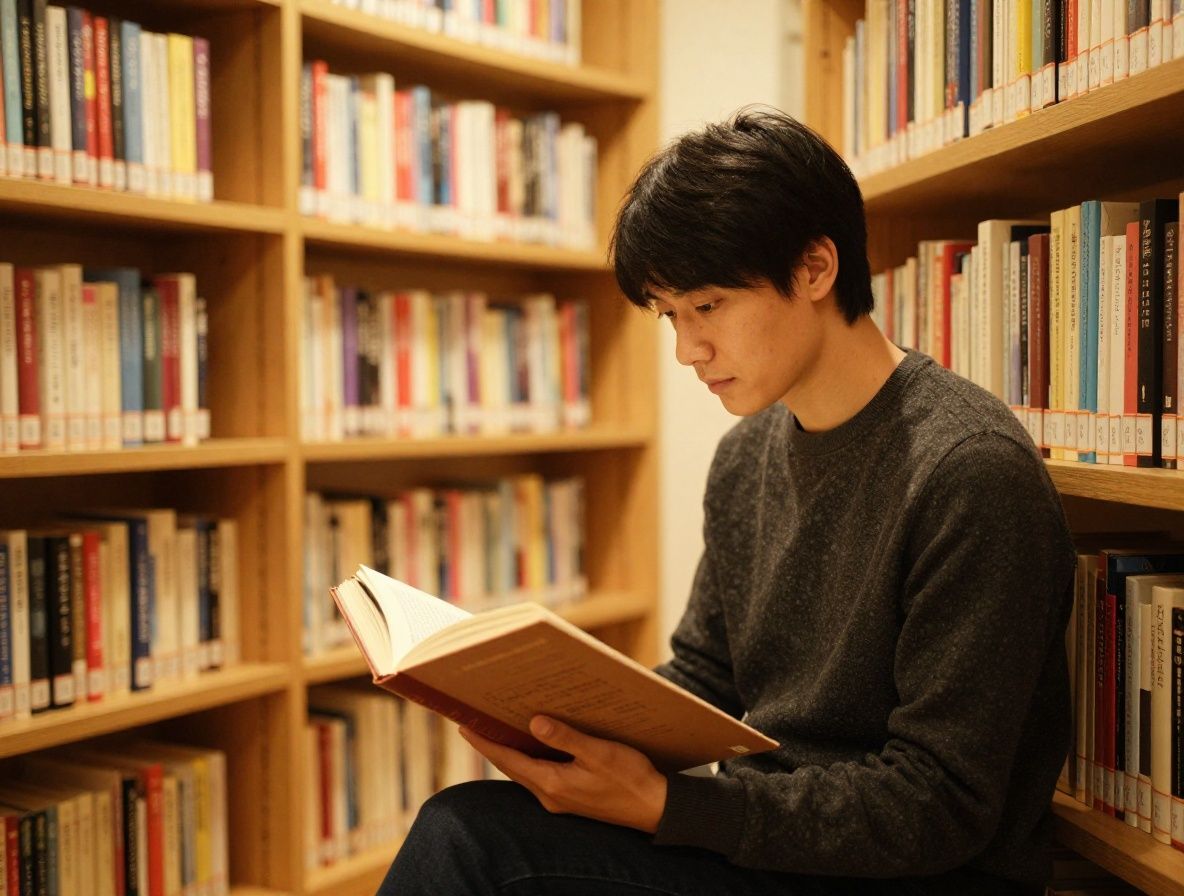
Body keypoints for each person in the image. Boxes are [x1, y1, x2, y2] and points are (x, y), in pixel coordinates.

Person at [376, 108, 1076, 896]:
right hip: (779, 841)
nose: (688, 350)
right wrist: (552, 718)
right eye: (670, 316)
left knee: (474, 845)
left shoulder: (969, 471)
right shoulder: (748, 455)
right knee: (473, 822)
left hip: (914, 873)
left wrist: (668, 804)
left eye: (708, 306)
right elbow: (709, 677)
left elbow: (939, 804)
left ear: (816, 269)